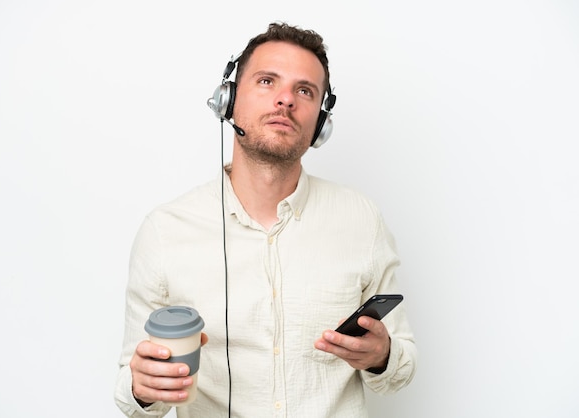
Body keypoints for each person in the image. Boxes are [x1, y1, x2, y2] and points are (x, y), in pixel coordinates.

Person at [114, 22, 417, 418]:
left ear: (319, 125)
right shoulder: (165, 231)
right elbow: (133, 401)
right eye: (267, 81)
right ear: (229, 100)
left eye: (304, 91)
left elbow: (401, 369)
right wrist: (143, 386)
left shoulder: (362, 219)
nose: (285, 100)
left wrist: (382, 355)